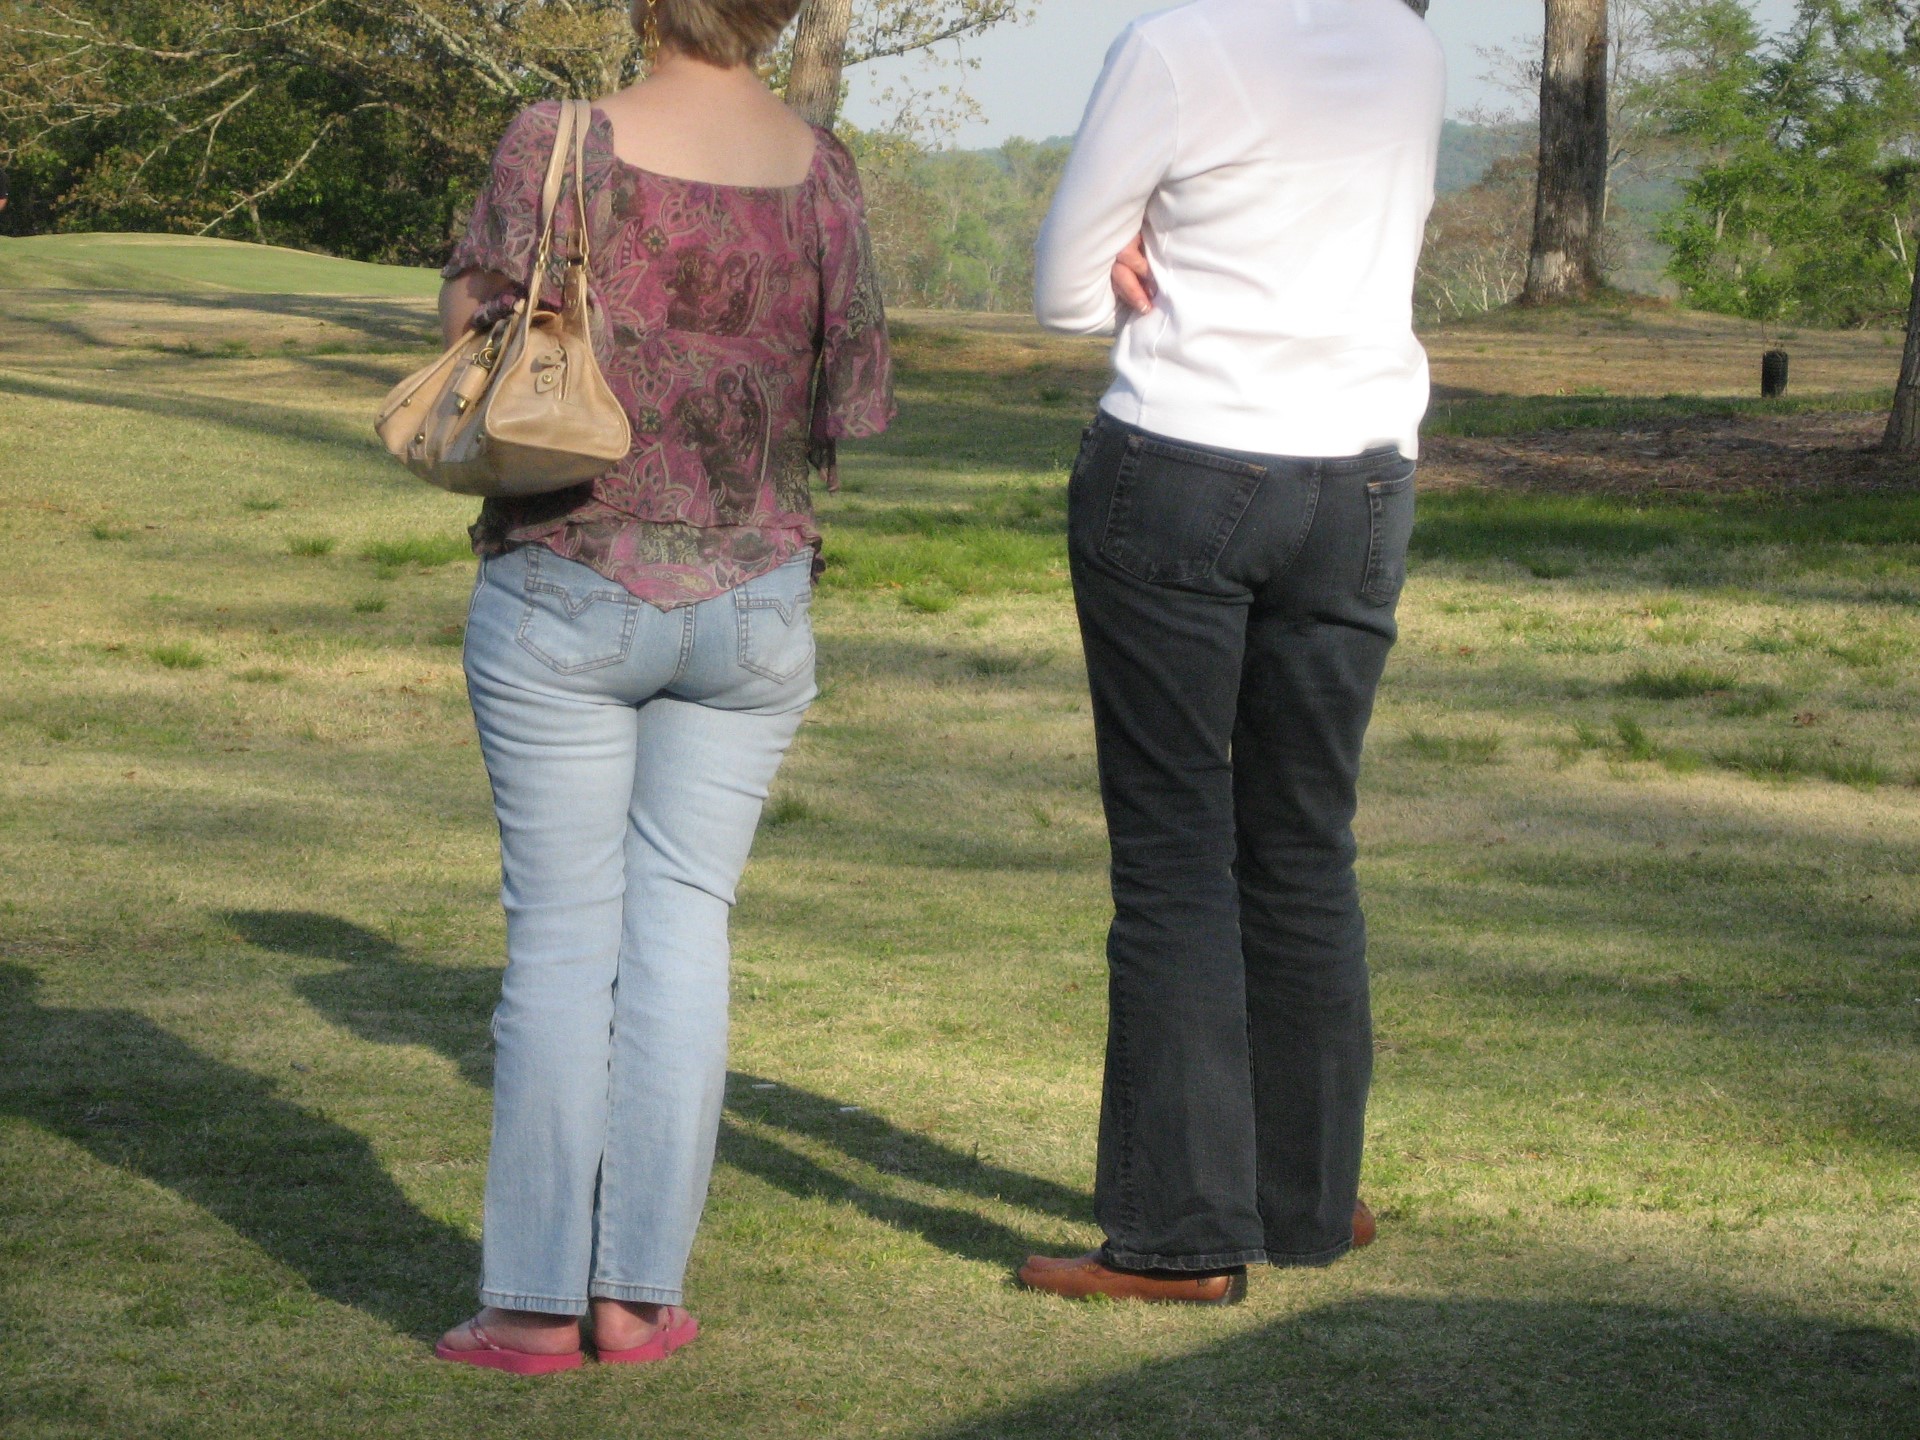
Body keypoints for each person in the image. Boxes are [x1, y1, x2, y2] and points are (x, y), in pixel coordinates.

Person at [432, 0, 892, 1372]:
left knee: (567, 944)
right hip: (752, 600)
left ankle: (527, 1306)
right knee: (683, 934)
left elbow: (471, 330)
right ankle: (637, 1295)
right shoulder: (825, 167)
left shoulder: (557, 139)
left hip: (569, 573)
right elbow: (852, 394)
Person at [1021, 0, 1444, 1305]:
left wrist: (1127, 250)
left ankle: (1176, 1237)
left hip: (1188, 459)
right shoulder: (1408, 44)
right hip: (1363, 480)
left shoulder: (1177, 44)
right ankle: (1306, 1199)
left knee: (1173, 857)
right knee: (1305, 845)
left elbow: (1057, 293)